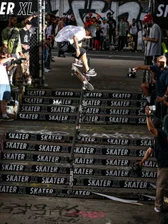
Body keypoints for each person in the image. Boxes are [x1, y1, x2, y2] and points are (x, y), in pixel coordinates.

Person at [137, 106, 168, 213]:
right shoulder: (156, 139)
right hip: (163, 164)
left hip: (165, 165)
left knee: (160, 186)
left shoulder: (161, 134)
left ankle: (158, 206)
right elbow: (149, 150)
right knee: (164, 186)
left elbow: (150, 128)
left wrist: (147, 116)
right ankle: (164, 203)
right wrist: (142, 161)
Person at [134, 55, 168, 119]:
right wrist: (137, 67)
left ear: (162, 63)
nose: (156, 63)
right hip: (158, 94)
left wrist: (165, 96)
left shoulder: (166, 72)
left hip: (164, 95)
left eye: (158, 62)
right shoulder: (157, 67)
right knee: (156, 110)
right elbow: (148, 67)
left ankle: (162, 124)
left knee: (163, 112)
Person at [0, 46, 15, 121]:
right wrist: (9, 58)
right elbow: (1, 61)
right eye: (4, 54)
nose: (5, 55)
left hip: (5, 82)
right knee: (1, 99)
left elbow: (7, 69)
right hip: (0, 82)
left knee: (5, 100)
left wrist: (13, 65)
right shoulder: (1, 60)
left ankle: (4, 115)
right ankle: (3, 114)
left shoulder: (4, 61)